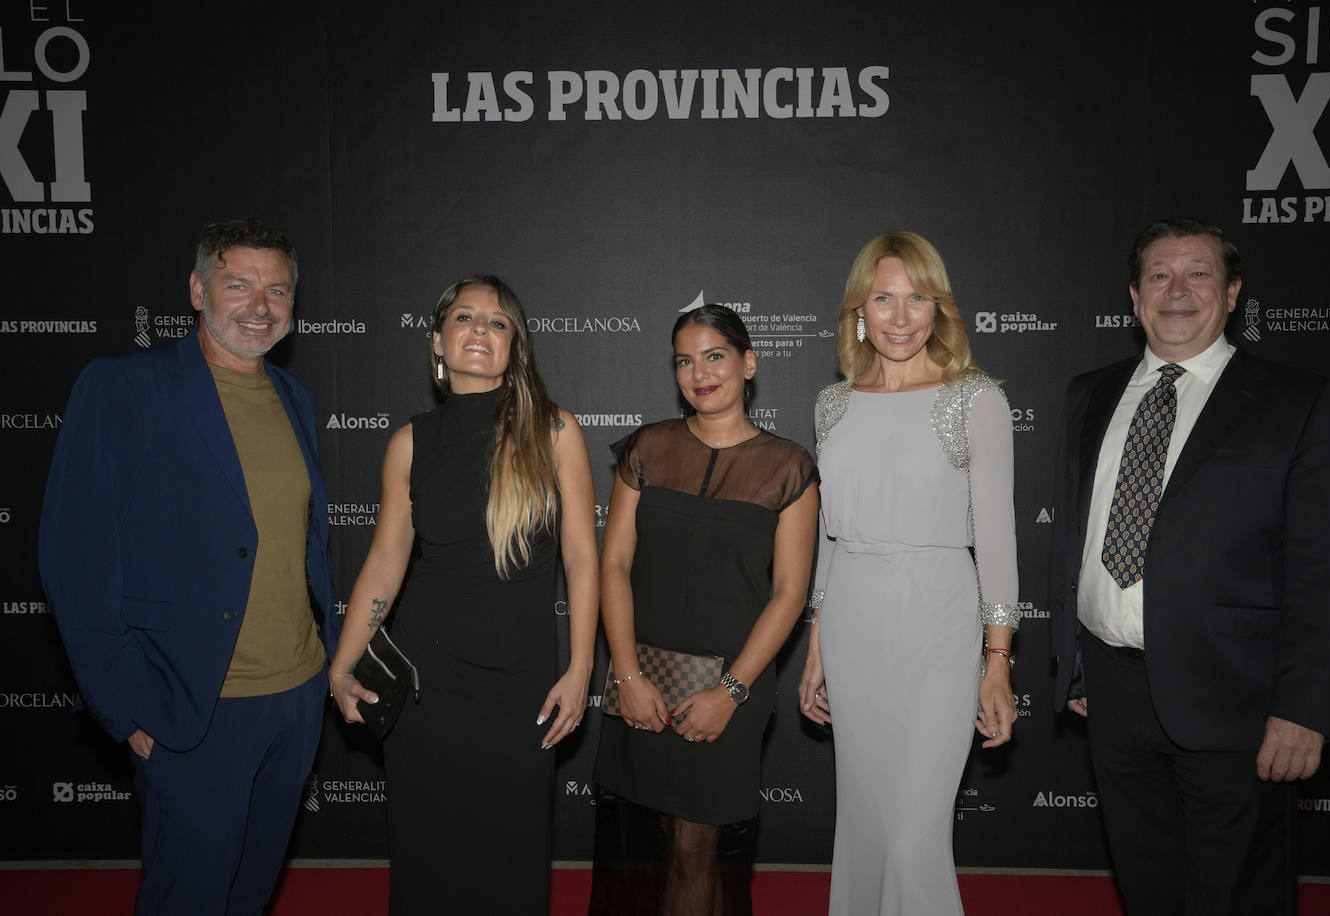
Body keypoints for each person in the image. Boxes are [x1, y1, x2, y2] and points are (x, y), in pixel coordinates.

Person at [1048, 217, 1330, 915]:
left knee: (1238, 893)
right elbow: (1071, 535)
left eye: (1199, 275)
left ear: (1234, 292)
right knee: (1148, 885)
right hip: (1114, 691)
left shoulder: (1295, 401)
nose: (1177, 290)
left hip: (1238, 699)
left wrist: (1302, 710)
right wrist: (1072, 661)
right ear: (1133, 296)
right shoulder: (1087, 395)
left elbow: (1323, 572)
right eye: (1159, 275)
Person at [38, 218, 336, 915]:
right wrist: (127, 705)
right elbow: (72, 560)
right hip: (194, 709)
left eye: (278, 289)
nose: (260, 305)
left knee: (250, 894)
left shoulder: (296, 401)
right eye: (239, 284)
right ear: (198, 289)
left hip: (293, 702)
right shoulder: (123, 388)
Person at [328, 274, 598, 913]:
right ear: (438, 342)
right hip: (427, 686)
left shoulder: (555, 431)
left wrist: (582, 665)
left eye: (498, 322)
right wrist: (343, 662)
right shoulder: (409, 442)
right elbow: (386, 563)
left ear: (515, 347)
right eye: (465, 318)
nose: (481, 330)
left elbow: (582, 556)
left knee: (511, 859)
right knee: (429, 859)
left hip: (519, 686)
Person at [798, 231, 1019, 915]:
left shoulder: (973, 399)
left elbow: (999, 540)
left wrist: (998, 661)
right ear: (858, 310)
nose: (900, 317)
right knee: (864, 825)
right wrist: (815, 642)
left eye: (916, 298)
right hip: (853, 624)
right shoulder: (833, 404)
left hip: (938, 620)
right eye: (884, 299)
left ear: (938, 309)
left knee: (911, 835)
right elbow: (830, 537)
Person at [588, 304, 819, 916]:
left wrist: (732, 692)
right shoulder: (647, 448)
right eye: (685, 361)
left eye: (715, 356)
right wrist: (628, 675)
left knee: (697, 846)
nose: (700, 373)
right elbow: (612, 566)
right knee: (646, 844)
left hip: (732, 685)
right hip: (643, 679)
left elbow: (790, 593)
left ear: (748, 363)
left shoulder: (789, 467)